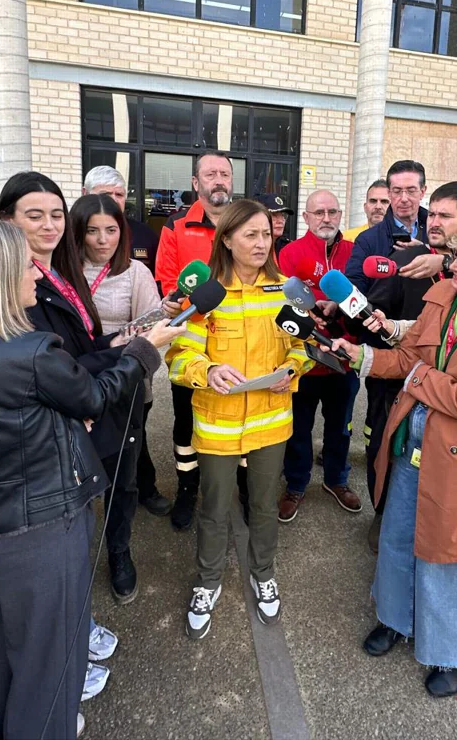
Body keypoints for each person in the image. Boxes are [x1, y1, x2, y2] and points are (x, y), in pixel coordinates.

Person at [0, 218, 179, 740]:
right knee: (51, 675)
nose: (35, 279)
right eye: (24, 267)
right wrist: (146, 351)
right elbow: (96, 397)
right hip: (41, 529)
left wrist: (56, 419)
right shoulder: (32, 352)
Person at [329, 220, 457, 697]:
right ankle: (396, 619)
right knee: (400, 534)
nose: (453, 268)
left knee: (452, 554)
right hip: (412, 436)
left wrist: (418, 377)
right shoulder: (443, 295)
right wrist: (360, 355)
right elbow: (407, 357)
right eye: (453, 258)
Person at [0, 173, 141, 707]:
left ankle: (79, 628)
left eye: (56, 214)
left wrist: (117, 342)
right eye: (35, 216)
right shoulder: (12, 284)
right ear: (6, 220)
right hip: (57, 426)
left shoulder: (53, 272)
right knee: (58, 544)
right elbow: (51, 368)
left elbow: (76, 347)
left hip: (82, 404)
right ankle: (64, 661)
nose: (50, 226)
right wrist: (132, 354)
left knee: (80, 531)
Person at [166, 199, 313, 639]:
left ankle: (263, 573)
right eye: (250, 234)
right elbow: (179, 357)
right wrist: (207, 370)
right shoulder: (207, 295)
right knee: (213, 510)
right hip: (217, 423)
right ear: (226, 239)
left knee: (265, 507)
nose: (261, 242)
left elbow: (300, 348)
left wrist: (292, 370)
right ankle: (208, 582)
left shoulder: (286, 290)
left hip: (270, 421)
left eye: (266, 234)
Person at [360, 181, 457, 552]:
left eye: (446, 215)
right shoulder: (406, 259)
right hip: (397, 383)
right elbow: (379, 312)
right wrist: (375, 325)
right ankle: (383, 517)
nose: (434, 221)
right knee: (385, 451)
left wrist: (444, 262)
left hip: (456, 398)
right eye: (435, 213)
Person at [70, 193, 172, 518]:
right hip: (76, 377)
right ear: (77, 232)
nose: (103, 240)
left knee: (127, 455)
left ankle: (120, 544)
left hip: (126, 375)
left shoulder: (135, 272)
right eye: (92, 230)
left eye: (111, 230)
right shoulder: (63, 272)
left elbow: (150, 326)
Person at [157, 152, 234, 531]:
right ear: (195, 183)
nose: (218, 180)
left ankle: (241, 488)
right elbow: (168, 283)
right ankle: (188, 486)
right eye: (210, 174)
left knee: (239, 411)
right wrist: (174, 301)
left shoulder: (247, 221)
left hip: (240, 338)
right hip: (191, 341)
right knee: (185, 419)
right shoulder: (175, 226)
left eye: (224, 173)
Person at [276, 189, 361, 521]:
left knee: (341, 428)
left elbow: (364, 299)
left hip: (344, 360)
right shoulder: (291, 253)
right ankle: (296, 484)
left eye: (333, 212)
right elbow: (280, 303)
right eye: (319, 212)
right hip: (305, 362)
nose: (326, 218)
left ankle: (336, 480)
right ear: (307, 217)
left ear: (340, 215)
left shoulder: (355, 253)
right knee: (298, 429)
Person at [344, 160, 430, 294]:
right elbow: (354, 282)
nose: (404, 198)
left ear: (422, 192)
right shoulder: (367, 239)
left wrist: (427, 251)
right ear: (389, 193)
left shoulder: (438, 232)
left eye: (411, 191)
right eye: (397, 191)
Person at [83, 165, 160, 276]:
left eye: (119, 194)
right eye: (105, 194)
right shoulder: (70, 233)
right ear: (85, 193)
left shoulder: (146, 235)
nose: (114, 200)